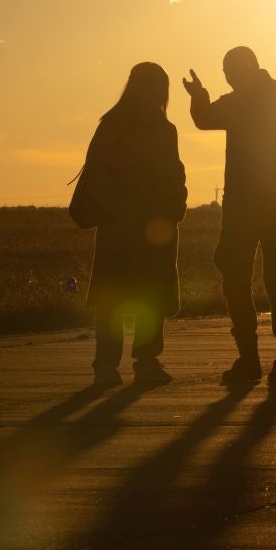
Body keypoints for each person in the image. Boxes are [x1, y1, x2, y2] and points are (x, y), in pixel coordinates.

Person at [183, 46, 276, 386]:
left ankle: (256, 361)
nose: (229, 81)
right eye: (227, 76)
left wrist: (200, 97)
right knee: (268, 280)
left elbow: (204, 118)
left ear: (246, 69)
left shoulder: (246, 100)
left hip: (250, 208)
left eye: (231, 74)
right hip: (268, 207)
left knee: (245, 280)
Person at [72, 62, 187, 388]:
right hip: (122, 227)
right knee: (114, 298)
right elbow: (98, 174)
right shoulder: (113, 126)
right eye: (153, 86)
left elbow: (175, 173)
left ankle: (147, 360)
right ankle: (106, 365)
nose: (158, 94)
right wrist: (118, 211)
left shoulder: (166, 129)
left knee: (152, 295)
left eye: (162, 88)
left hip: (158, 226)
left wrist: (176, 207)